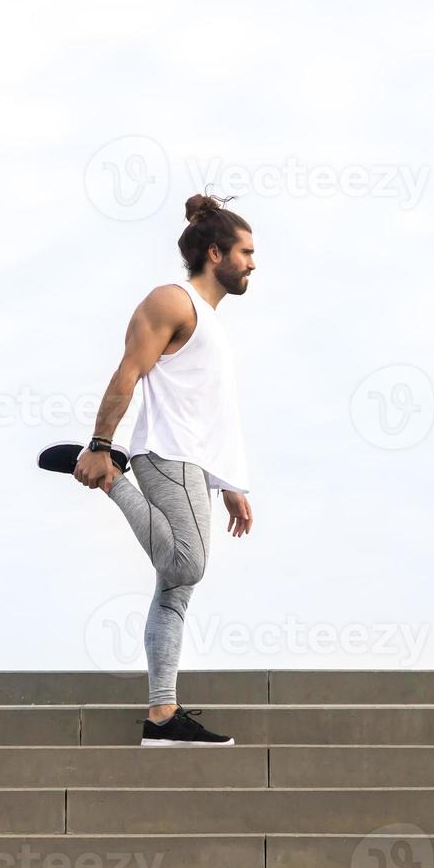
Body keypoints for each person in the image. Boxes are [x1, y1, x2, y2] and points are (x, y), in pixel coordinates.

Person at [37, 192, 256, 747]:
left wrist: (229, 484)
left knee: (173, 593)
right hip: (166, 454)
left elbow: (212, 412)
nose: (253, 263)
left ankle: (161, 716)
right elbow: (128, 372)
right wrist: (100, 446)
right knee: (188, 565)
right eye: (246, 252)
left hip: (195, 465)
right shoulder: (172, 301)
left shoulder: (209, 320)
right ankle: (112, 478)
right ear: (215, 253)